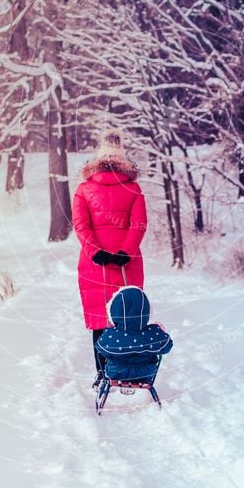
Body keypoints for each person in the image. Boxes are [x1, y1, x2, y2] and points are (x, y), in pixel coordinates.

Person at [72, 129, 147, 384]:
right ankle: (127, 372)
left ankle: (102, 373)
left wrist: (96, 252)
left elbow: (81, 225)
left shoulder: (84, 190)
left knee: (99, 319)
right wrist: (126, 252)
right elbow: (139, 225)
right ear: (122, 160)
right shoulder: (134, 189)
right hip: (129, 262)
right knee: (127, 318)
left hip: (94, 265)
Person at [95, 285, 173, 382]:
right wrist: (161, 332)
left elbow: (100, 349)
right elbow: (167, 346)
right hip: (146, 374)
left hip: (116, 373)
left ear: (114, 311)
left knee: (110, 360)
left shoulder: (111, 335)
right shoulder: (153, 333)